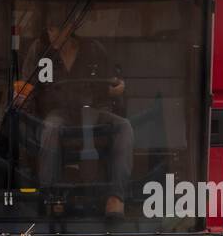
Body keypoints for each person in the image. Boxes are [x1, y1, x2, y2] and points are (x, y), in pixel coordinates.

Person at [16, 12, 134, 216]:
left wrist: (118, 87)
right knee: (50, 128)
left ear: (70, 28)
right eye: (50, 29)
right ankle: (53, 197)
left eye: (57, 28)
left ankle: (116, 197)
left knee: (124, 126)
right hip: (57, 113)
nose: (52, 34)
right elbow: (26, 86)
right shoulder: (39, 51)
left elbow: (112, 82)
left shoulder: (94, 50)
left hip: (93, 112)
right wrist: (20, 98)